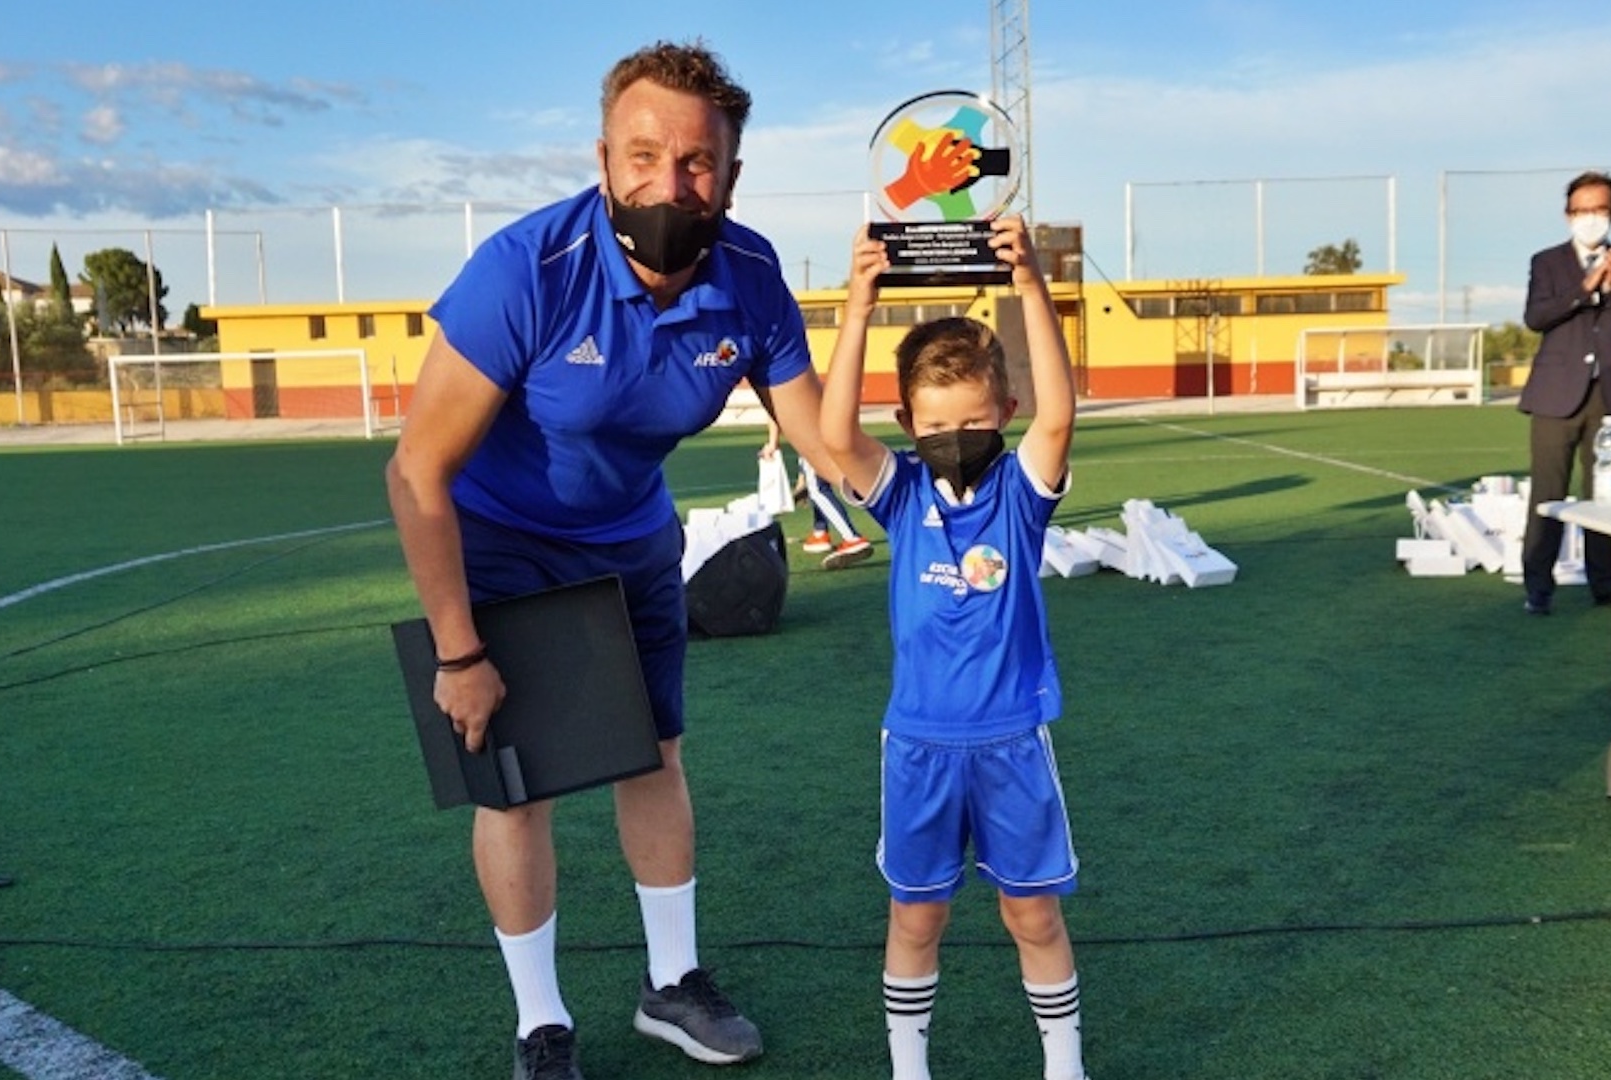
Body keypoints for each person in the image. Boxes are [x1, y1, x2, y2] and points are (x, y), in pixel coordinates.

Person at [386, 40, 837, 1080]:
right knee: (518, 790)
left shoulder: (752, 275)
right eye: (644, 156)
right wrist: (459, 652)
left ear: (729, 174)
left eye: (696, 162)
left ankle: (672, 985)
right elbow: (415, 472)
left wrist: (946, 473)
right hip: (502, 542)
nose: (669, 185)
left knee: (655, 754)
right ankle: (541, 1025)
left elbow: (824, 441)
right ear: (603, 159)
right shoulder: (524, 270)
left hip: (633, 540)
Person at [818, 218, 1089, 1080]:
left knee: (1033, 914)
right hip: (919, 744)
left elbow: (1061, 413)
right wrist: (858, 306)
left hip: (1013, 741)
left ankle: (1065, 1066)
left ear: (1004, 413)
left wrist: (1030, 286)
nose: (958, 437)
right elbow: (834, 435)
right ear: (908, 422)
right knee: (917, 917)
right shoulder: (902, 494)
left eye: (975, 420)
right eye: (937, 424)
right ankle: (910, 1068)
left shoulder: (1020, 493)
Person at [1516, 171, 1611, 615]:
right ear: (1567, 215)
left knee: (1606, 497)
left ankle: (1608, 586)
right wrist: (1586, 287)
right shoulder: (1547, 262)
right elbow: (1536, 317)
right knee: (1548, 493)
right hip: (1555, 394)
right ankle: (1538, 588)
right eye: (1580, 210)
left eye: (1598, 209)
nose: (1589, 218)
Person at [761, 418, 873, 569]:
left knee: (818, 490)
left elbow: (774, 411)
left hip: (812, 434)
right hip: (823, 429)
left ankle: (852, 538)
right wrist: (802, 477)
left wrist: (773, 443)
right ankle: (820, 532)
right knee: (816, 483)